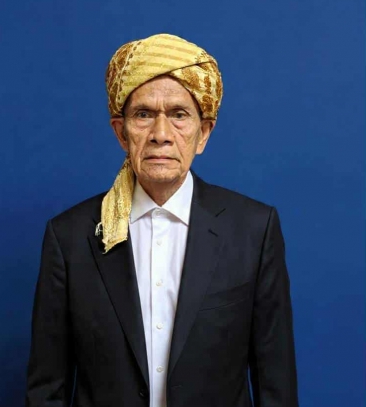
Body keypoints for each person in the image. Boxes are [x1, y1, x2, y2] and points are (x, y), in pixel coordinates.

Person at [26, 33, 298, 407]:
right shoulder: (69, 236)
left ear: (203, 134)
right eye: (143, 115)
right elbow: (47, 389)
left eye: (179, 115)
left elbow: (276, 383)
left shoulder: (254, 229)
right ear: (121, 132)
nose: (161, 135)